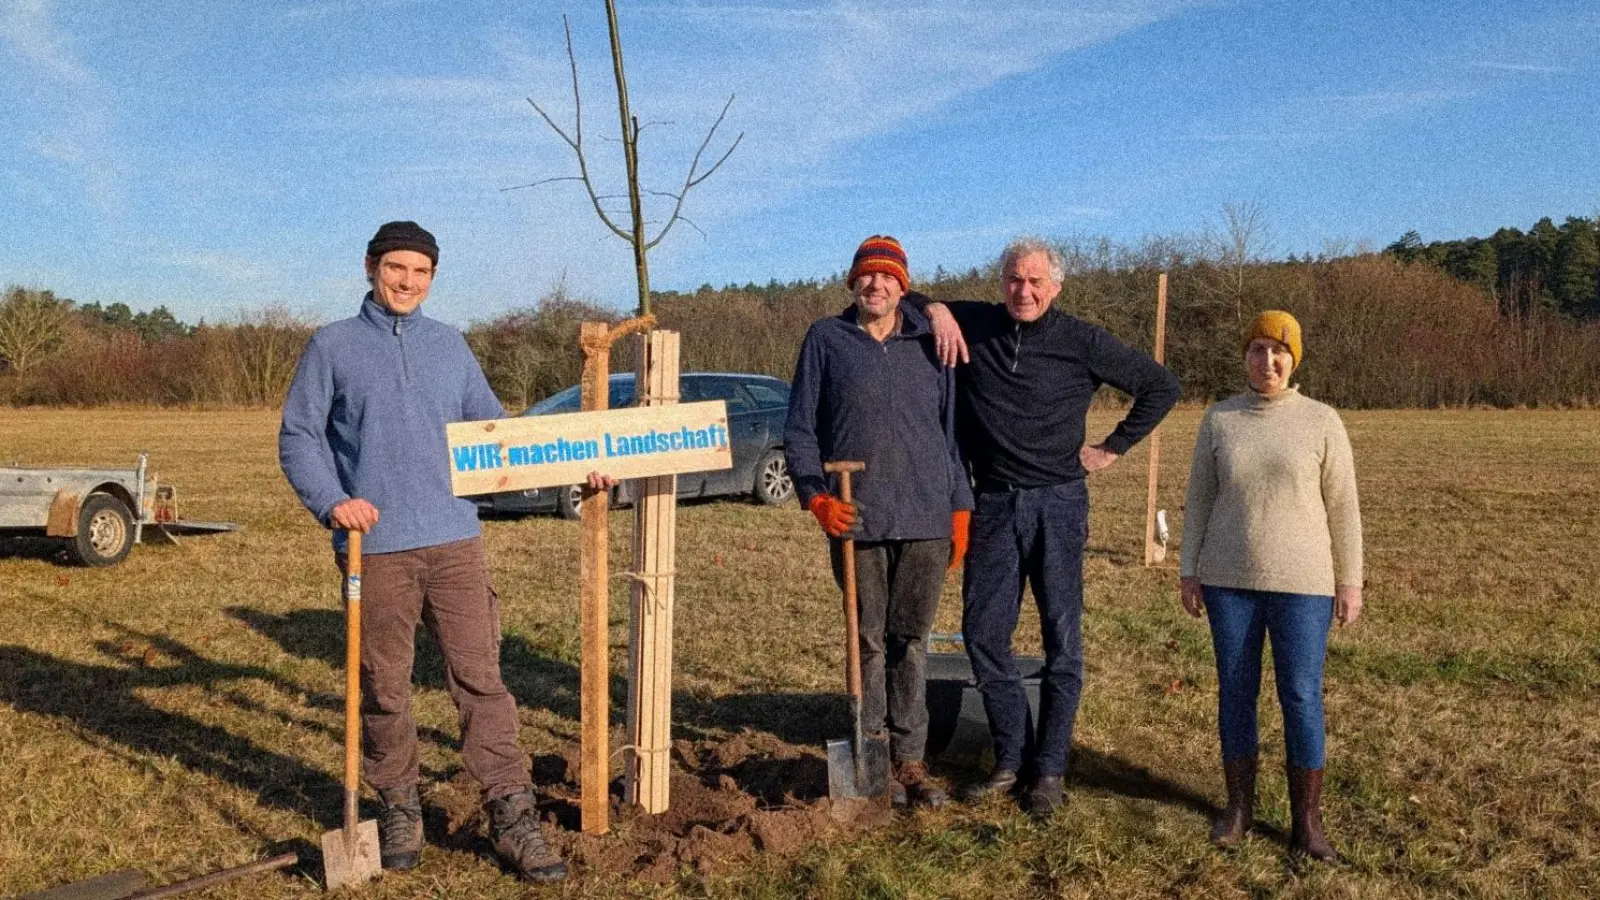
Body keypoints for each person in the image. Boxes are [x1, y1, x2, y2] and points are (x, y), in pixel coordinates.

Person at [280, 221, 597, 883]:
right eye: (396, 267)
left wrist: (576, 466)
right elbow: (300, 437)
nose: (408, 281)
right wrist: (333, 501)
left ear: (432, 277)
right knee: (384, 686)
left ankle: (511, 813)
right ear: (371, 267)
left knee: (481, 680)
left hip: (456, 543)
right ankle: (399, 804)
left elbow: (496, 438)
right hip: (376, 549)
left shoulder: (450, 346)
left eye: (420, 271)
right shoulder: (333, 345)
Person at [918, 237, 1180, 814]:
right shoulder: (976, 323)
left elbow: (1161, 386)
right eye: (1015, 280)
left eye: (1036, 281)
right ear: (1001, 283)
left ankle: (1050, 770)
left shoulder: (1082, 340)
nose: (1024, 291)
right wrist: (935, 309)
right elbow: (903, 298)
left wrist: (1112, 448)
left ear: (1055, 287)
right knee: (984, 635)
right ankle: (1011, 758)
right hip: (993, 504)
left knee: (1062, 638)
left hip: (1058, 504)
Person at [784, 235, 974, 808]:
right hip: (856, 517)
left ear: (903, 286)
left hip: (925, 515)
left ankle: (911, 757)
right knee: (866, 638)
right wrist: (816, 498)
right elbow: (800, 430)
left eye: (888, 277)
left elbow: (952, 432)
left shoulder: (930, 343)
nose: (876, 285)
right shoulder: (826, 339)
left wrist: (960, 506)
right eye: (867, 275)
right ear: (853, 282)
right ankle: (870, 750)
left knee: (911, 640)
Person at [1179, 309, 1363, 862]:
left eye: (1278, 351)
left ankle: (1307, 823)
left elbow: (1344, 507)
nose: (1268, 361)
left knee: (1301, 695)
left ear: (1293, 359)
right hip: (1228, 581)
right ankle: (1238, 809)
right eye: (1257, 350)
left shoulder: (1322, 421)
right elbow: (1199, 500)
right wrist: (1189, 568)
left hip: (1303, 584)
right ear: (1245, 358)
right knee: (1236, 692)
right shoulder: (1220, 420)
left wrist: (1349, 581)